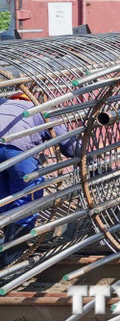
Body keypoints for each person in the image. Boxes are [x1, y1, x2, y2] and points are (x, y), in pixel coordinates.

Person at [0, 93, 80, 267]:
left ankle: (6, 244)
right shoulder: (38, 110)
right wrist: (86, 157)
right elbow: (68, 145)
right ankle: (9, 263)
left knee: (3, 201)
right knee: (27, 203)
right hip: (18, 151)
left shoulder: (3, 105)